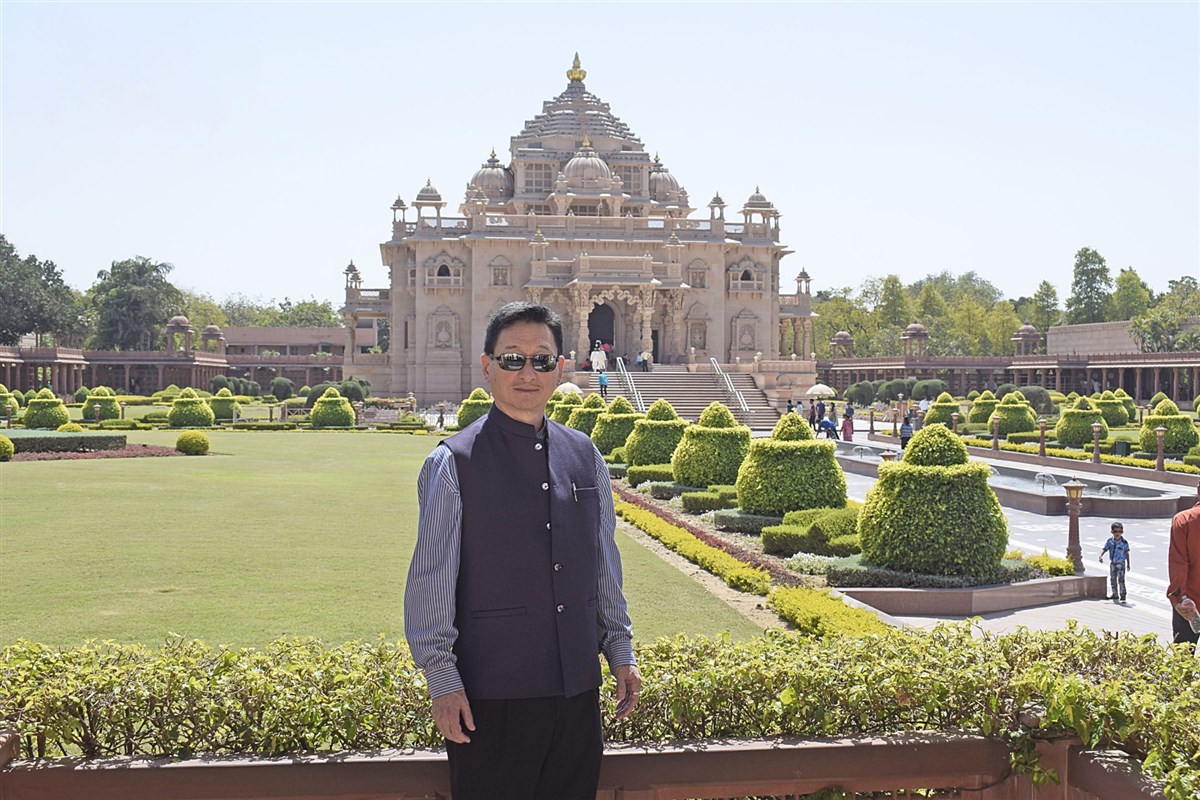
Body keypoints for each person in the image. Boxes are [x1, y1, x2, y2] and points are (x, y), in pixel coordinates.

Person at [404, 301, 641, 799]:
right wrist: (442, 680)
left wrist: (620, 649)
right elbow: (431, 582)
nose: (527, 372)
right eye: (513, 359)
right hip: (491, 696)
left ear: (560, 367)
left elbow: (603, 566)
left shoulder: (584, 454)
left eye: (541, 360)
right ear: (488, 366)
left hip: (577, 692)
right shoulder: (452, 463)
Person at [1167, 483, 1200, 651]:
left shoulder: (1183, 520)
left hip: (1190, 602)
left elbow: (1178, 564)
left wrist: (1180, 599)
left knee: (1183, 663)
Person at [1099, 521, 1131, 604]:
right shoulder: (1110, 541)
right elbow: (1105, 548)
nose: (1118, 533)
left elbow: (1127, 553)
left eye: (1120, 531)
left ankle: (1123, 595)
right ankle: (1115, 594)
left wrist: (1128, 564)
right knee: (1113, 579)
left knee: (1121, 580)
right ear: (1112, 532)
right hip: (1113, 563)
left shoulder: (1124, 542)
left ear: (1122, 532)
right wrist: (1100, 555)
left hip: (1121, 563)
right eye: (1115, 531)